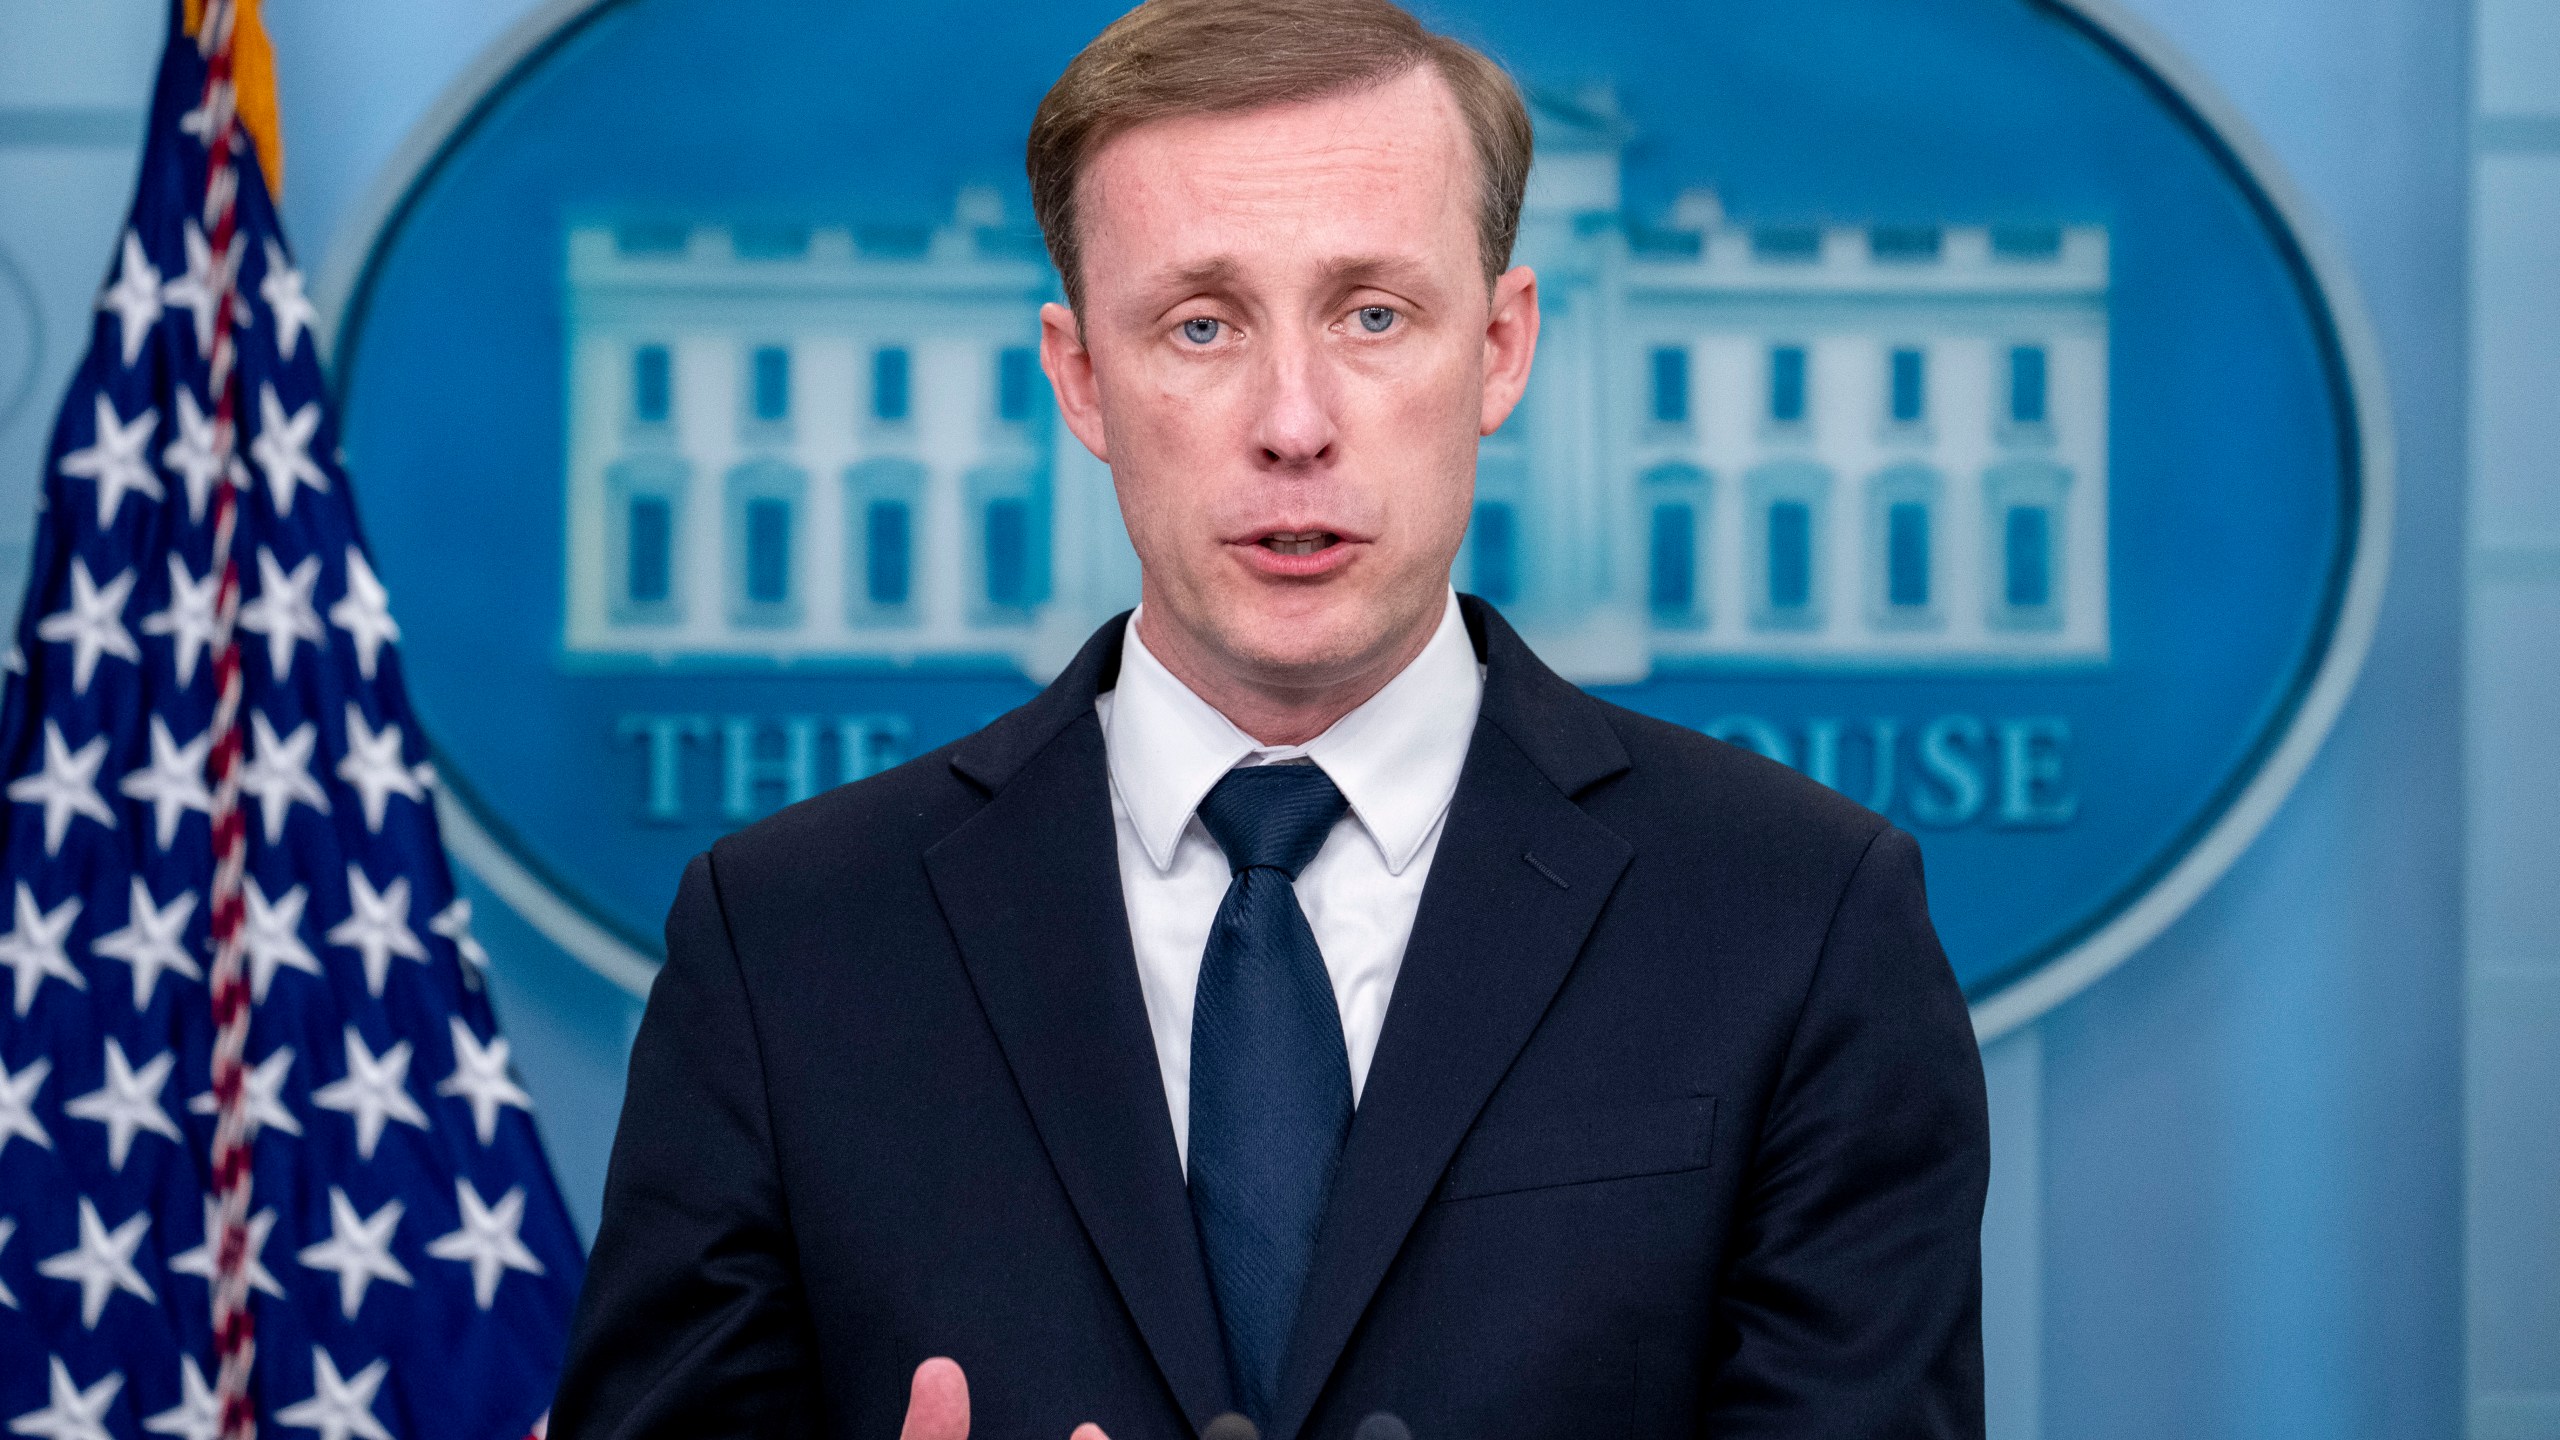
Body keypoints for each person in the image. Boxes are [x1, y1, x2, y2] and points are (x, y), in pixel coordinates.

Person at [549, 0, 1989, 1435]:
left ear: (1498, 348)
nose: (1293, 421)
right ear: (1081, 378)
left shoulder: (1798, 920)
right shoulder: (786, 943)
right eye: (1200, 324)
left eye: (1373, 313)